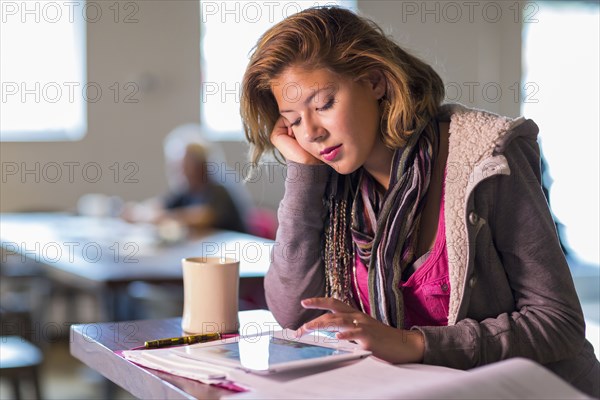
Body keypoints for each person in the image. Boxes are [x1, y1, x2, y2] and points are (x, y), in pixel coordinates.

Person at [239, 6, 599, 397]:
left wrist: (415, 344)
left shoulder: (487, 158)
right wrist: (303, 174)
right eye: (292, 120)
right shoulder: (331, 183)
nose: (311, 133)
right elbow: (295, 314)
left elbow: (557, 322)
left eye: (323, 104)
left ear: (375, 81)